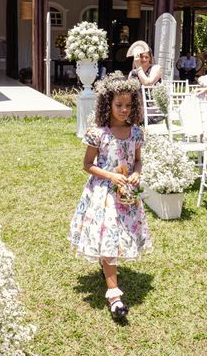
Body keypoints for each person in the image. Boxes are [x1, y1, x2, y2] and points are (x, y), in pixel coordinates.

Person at [68, 73, 152, 320]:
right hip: (103, 193)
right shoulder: (99, 133)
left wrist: (136, 174)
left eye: (128, 105)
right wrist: (111, 176)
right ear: (108, 104)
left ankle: (107, 267)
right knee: (108, 237)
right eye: (119, 105)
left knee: (119, 236)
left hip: (126, 194)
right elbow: (87, 164)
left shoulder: (136, 133)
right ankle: (114, 295)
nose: (124, 110)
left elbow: (137, 161)